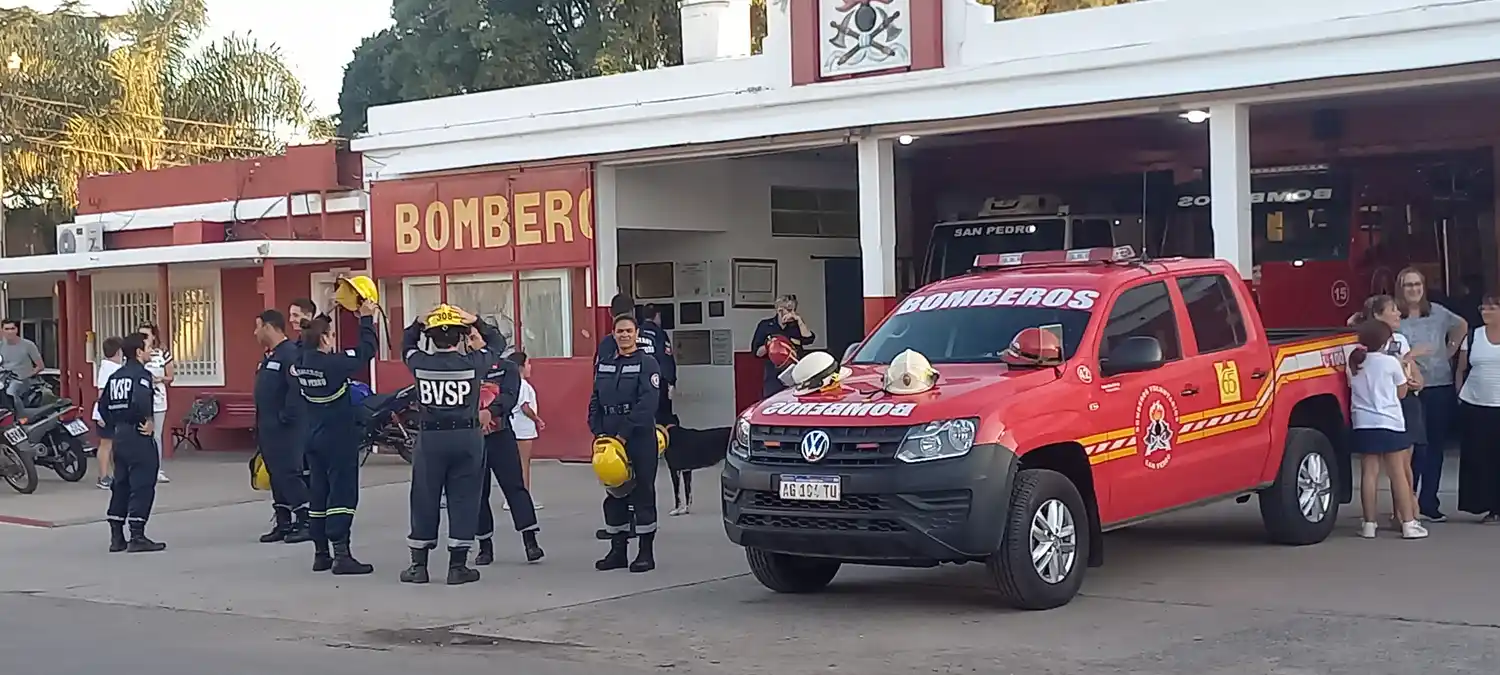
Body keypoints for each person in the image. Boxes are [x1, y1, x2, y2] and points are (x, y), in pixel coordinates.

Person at [399, 304, 505, 586]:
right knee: (464, 498)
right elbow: (498, 343)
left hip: (431, 440)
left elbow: (406, 345)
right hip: (466, 438)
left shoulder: (420, 363)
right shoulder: (474, 363)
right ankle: (457, 566)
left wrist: (418, 322)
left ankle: (418, 566)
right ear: (461, 337)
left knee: (424, 496)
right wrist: (475, 320)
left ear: (431, 338)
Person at [295, 306, 379, 575]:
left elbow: (302, 343)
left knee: (318, 494)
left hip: (312, 438)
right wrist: (366, 319)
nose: (333, 340)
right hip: (338, 438)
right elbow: (367, 350)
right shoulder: (333, 364)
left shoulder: (300, 362)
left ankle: (321, 554)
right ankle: (342, 555)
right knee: (342, 493)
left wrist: (323, 315)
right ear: (324, 338)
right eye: (331, 335)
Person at [590, 313, 662, 573]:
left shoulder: (648, 363)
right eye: (620, 331)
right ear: (613, 334)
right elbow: (595, 399)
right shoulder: (605, 363)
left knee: (643, 493)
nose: (624, 335)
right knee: (614, 495)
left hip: (639, 436)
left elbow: (648, 403)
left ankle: (645, 553)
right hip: (609, 436)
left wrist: (623, 434)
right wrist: (598, 430)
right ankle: (617, 552)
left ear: (636, 334)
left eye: (629, 331)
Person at [1396, 268, 1468, 522]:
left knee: (1435, 447)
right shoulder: (1396, 316)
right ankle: (1408, 502)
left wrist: (1449, 350)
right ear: (1400, 288)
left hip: (1439, 385)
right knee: (1413, 448)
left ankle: (1429, 502)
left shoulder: (1438, 312)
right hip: (1410, 388)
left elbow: (1462, 325)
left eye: (1417, 284)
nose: (1414, 289)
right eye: (1408, 285)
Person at [1348, 319, 1427, 540]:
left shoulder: (1354, 362)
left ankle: (1369, 524)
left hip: (1363, 422)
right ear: (1385, 341)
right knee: (1398, 473)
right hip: (1390, 422)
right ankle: (1409, 524)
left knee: (1369, 473)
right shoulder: (1390, 362)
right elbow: (1401, 393)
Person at [470, 332, 544, 565]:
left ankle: (530, 541)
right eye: (468, 339)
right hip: (473, 439)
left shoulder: (507, 368)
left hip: (500, 435)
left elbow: (510, 397)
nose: (470, 343)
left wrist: (490, 412)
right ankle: (485, 546)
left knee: (515, 487)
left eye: (474, 337)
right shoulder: (463, 367)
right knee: (477, 493)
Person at [100, 333, 167, 552]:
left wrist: (115, 425)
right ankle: (137, 535)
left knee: (121, 484)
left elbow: (102, 406)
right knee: (142, 483)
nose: (151, 351)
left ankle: (116, 536)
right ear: (138, 352)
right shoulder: (141, 375)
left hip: (120, 437)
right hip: (138, 435)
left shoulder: (115, 376)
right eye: (148, 347)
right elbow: (141, 399)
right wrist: (147, 420)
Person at [253, 310, 312, 544]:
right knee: (275, 476)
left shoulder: (290, 354)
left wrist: (285, 418)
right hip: (267, 427)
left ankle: (306, 521)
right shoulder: (272, 356)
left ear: (268, 327)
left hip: (285, 429)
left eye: (257, 326)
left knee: (289, 473)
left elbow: (296, 391)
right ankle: (283, 521)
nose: (255, 332)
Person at [1456, 291, 1500, 523]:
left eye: (1492, 308)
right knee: (1482, 459)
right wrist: (1459, 394)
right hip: (1476, 405)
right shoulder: (1473, 336)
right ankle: (1490, 507)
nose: (1486, 312)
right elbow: (1461, 369)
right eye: (1483, 308)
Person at [751, 295, 816, 397]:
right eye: (789, 310)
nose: (792, 313)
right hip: (774, 375)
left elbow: (809, 339)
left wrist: (799, 320)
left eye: (794, 310)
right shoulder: (765, 325)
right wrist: (770, 345)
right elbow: (756, 352)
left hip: (795, 373)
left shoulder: (796, 326)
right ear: (780, 310)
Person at [136, 324, 174, 484]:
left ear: (153, 336)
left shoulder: (162, 353)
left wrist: (159, 379)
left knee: (156, 435)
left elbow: (170, 376)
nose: (144, 339)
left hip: (158, 399)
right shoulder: (136, 354)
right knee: (140, 434)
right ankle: (140, 468)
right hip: (140, 399)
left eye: (146, 335)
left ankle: (157, 469)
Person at [508, 351, 544, 509]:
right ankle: (524, 498)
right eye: (528, 364)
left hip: (514, 427)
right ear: (521, 367)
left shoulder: (510, 384)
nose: (530, 367)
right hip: (522, 429)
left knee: (513, 465)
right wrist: (537, 419)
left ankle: (512, 498)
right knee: (523, 464)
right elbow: (525, 406)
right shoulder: (522, 385)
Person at [93, 338, 125, 490]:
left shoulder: (113, 367)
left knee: (114, 445)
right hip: (106, 413)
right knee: (106, 445)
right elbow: (102, 393)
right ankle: (103, 476)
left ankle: (115, 475)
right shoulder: (108, 368)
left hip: (113, 412)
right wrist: (102, 414)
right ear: (118, 351)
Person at [0, 318, 44, 403]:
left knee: (11, 393)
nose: (10, 332)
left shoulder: (28, 345)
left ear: (17, 330)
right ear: (2, 330)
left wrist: (27, 376)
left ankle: (17, 411)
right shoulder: (1, 346)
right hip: (4, 380)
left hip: (22, 381)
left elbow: (40, 366)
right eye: (7, 329)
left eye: (12, 328)